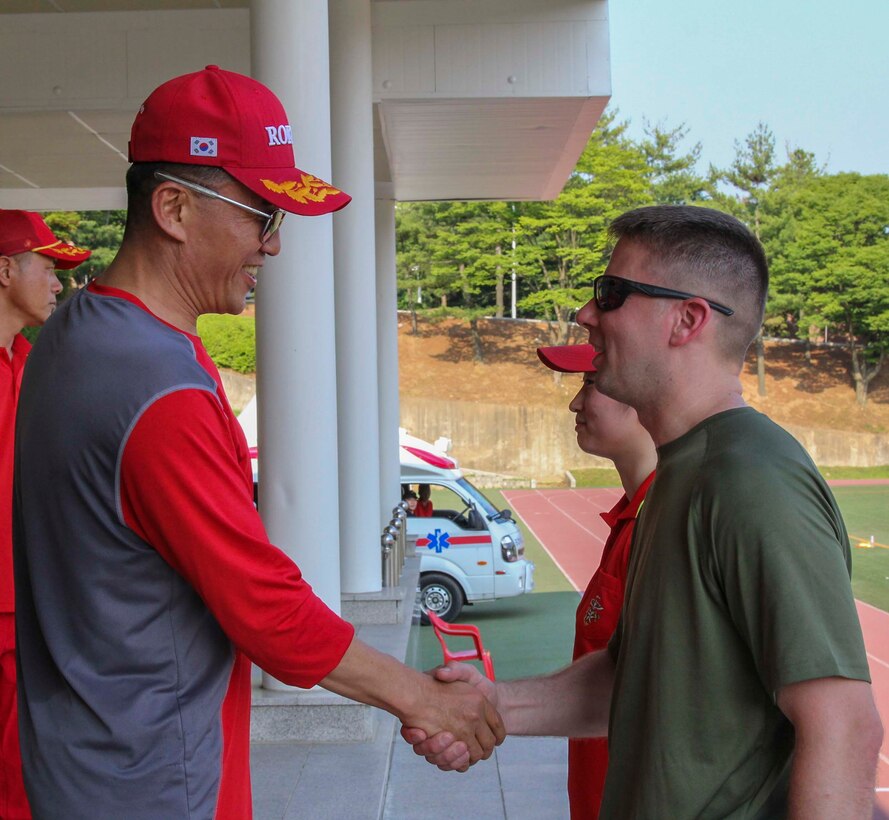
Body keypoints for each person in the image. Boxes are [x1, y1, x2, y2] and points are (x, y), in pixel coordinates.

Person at [12, 66, 502, 820]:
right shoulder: (156, 386)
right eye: (262, 217)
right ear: (173, 208)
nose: (272, 247)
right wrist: (421, 699)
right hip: (147, 778)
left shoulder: (72, 335)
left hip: (77, 756)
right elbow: (265, 608)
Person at [409, 205, 883, 818]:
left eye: (610, 294)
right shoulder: (679, 476)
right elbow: (628, 681)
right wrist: (493, 702)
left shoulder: (752, 479)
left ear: (687, 320)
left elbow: (844, 728)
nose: (585, 313)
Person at [536, 342, 656, 819]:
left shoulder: (666, 526)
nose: (574, 402)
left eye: (591, 382)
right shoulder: (633, 518)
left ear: (645, 396)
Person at [0, 211, 91, 820]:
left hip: (28, 606)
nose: (60, 283)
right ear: (5, 269)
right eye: (48, 267)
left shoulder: (32, 363)